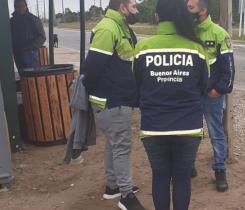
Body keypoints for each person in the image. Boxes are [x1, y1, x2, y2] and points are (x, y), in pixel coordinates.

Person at [133, 0, 209, 209]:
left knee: (160, 176)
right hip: (188, 126)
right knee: (182, 178)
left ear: (157, 17)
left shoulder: (142, 48)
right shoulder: (197, 48)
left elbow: (136, 87)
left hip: (154, 126)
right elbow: (205, 86)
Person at [81, 0, 145, 209]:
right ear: (122, 7)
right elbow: (91, 68)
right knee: (121, 146)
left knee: (113, 143)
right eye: (134, 6)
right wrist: (104, 93)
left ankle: (113, 186)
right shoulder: (108, 28)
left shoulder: (121, 26)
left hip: (118, 99)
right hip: (112, 101)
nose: (138, 10)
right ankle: (126, 196)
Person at [187, 0, 235, 192]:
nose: (186, 10)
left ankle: (220, 171)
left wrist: (219, 90)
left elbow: (229, 68)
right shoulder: (187, 32)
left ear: (203, 10)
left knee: (216, 134)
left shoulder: (219, 34)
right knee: (190, 133)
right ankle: (189, 165)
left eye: (190, 7)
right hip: (191, 95)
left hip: (212, 96)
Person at [10, 0, 46, 76]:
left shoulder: (33, 19)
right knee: (22, 77)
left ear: (26, 6)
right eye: (17, 6)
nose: (20, 8)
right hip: (17, 53)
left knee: (32, 77)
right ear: (14, 7)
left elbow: (42, 37)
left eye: (22, 6)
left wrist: (31, 48)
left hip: (30, 54)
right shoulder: (12, 21)